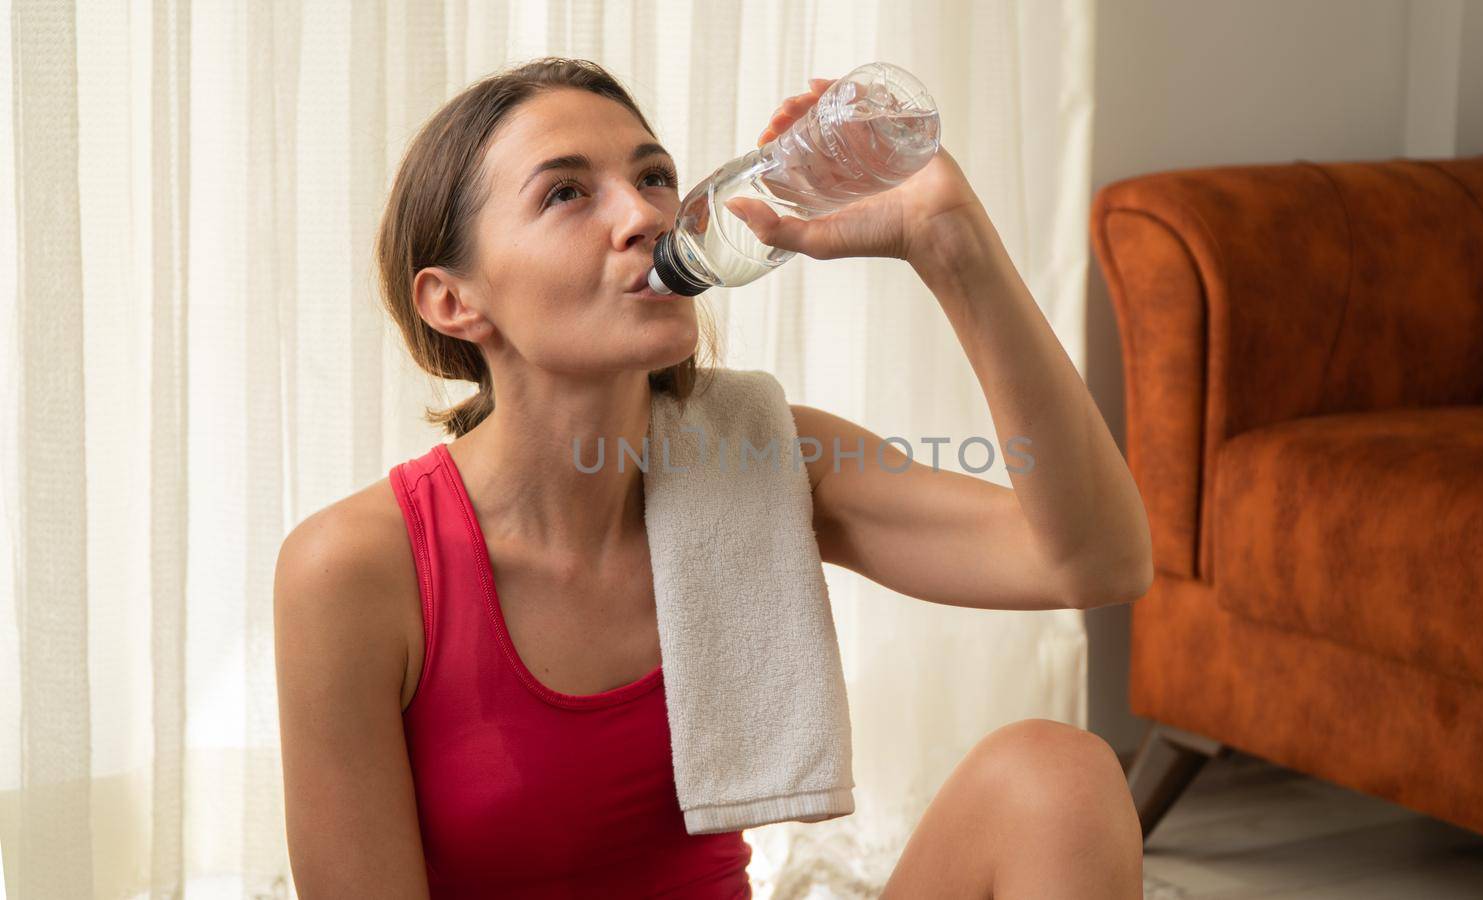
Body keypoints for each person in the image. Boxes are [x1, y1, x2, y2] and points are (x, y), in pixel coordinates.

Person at [274, 56, 1150, 899]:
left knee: (1056, 777)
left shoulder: (766, 462)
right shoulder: (355, 570)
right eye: (566, 192)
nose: (647, 214)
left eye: (654, 176)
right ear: (454, 300)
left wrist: (952, 246)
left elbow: (1094, 564)